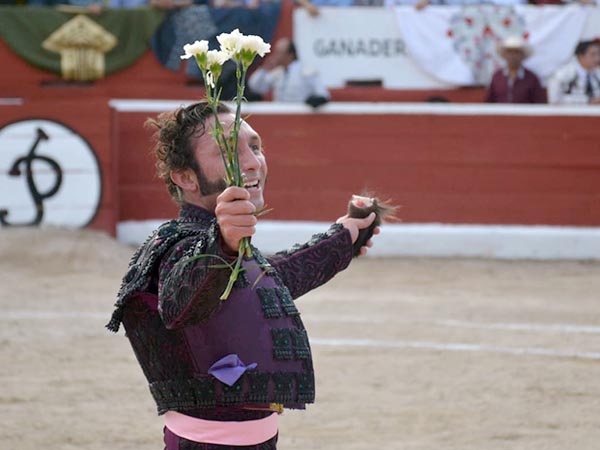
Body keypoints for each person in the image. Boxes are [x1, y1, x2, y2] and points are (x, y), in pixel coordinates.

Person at [106, 101, 378, 449]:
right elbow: (179, 302)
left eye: (255, 146)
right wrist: (221, 243)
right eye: (227, 151)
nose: (252, 162)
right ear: (185, 177)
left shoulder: (226, 247)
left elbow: (270, 279)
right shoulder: (178, 243)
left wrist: (344, 238)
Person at [248, 38, 330, 107]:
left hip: (301, 119)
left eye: (279, 52)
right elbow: (255, 87)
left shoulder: (307, 72)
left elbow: (323, 95)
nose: (275, 56)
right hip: (280, 118)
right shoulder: (277, 73)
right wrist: (264, 69)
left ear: (290, 55)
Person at [484, 36, 545, 104]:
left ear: (522, 55)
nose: (513, 56)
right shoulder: (497, 77)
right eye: (510, 52)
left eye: (516, 52)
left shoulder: (532, 78)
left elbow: (539, 104)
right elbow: (489, 102)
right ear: (505, 55)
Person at [547, 40, 600, 105]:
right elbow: (554, 100)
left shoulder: (597, 73)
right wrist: (587, 101)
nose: (597, 58)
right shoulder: (562, 74)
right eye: (593, 55)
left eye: (599, 54)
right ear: (580, 56)